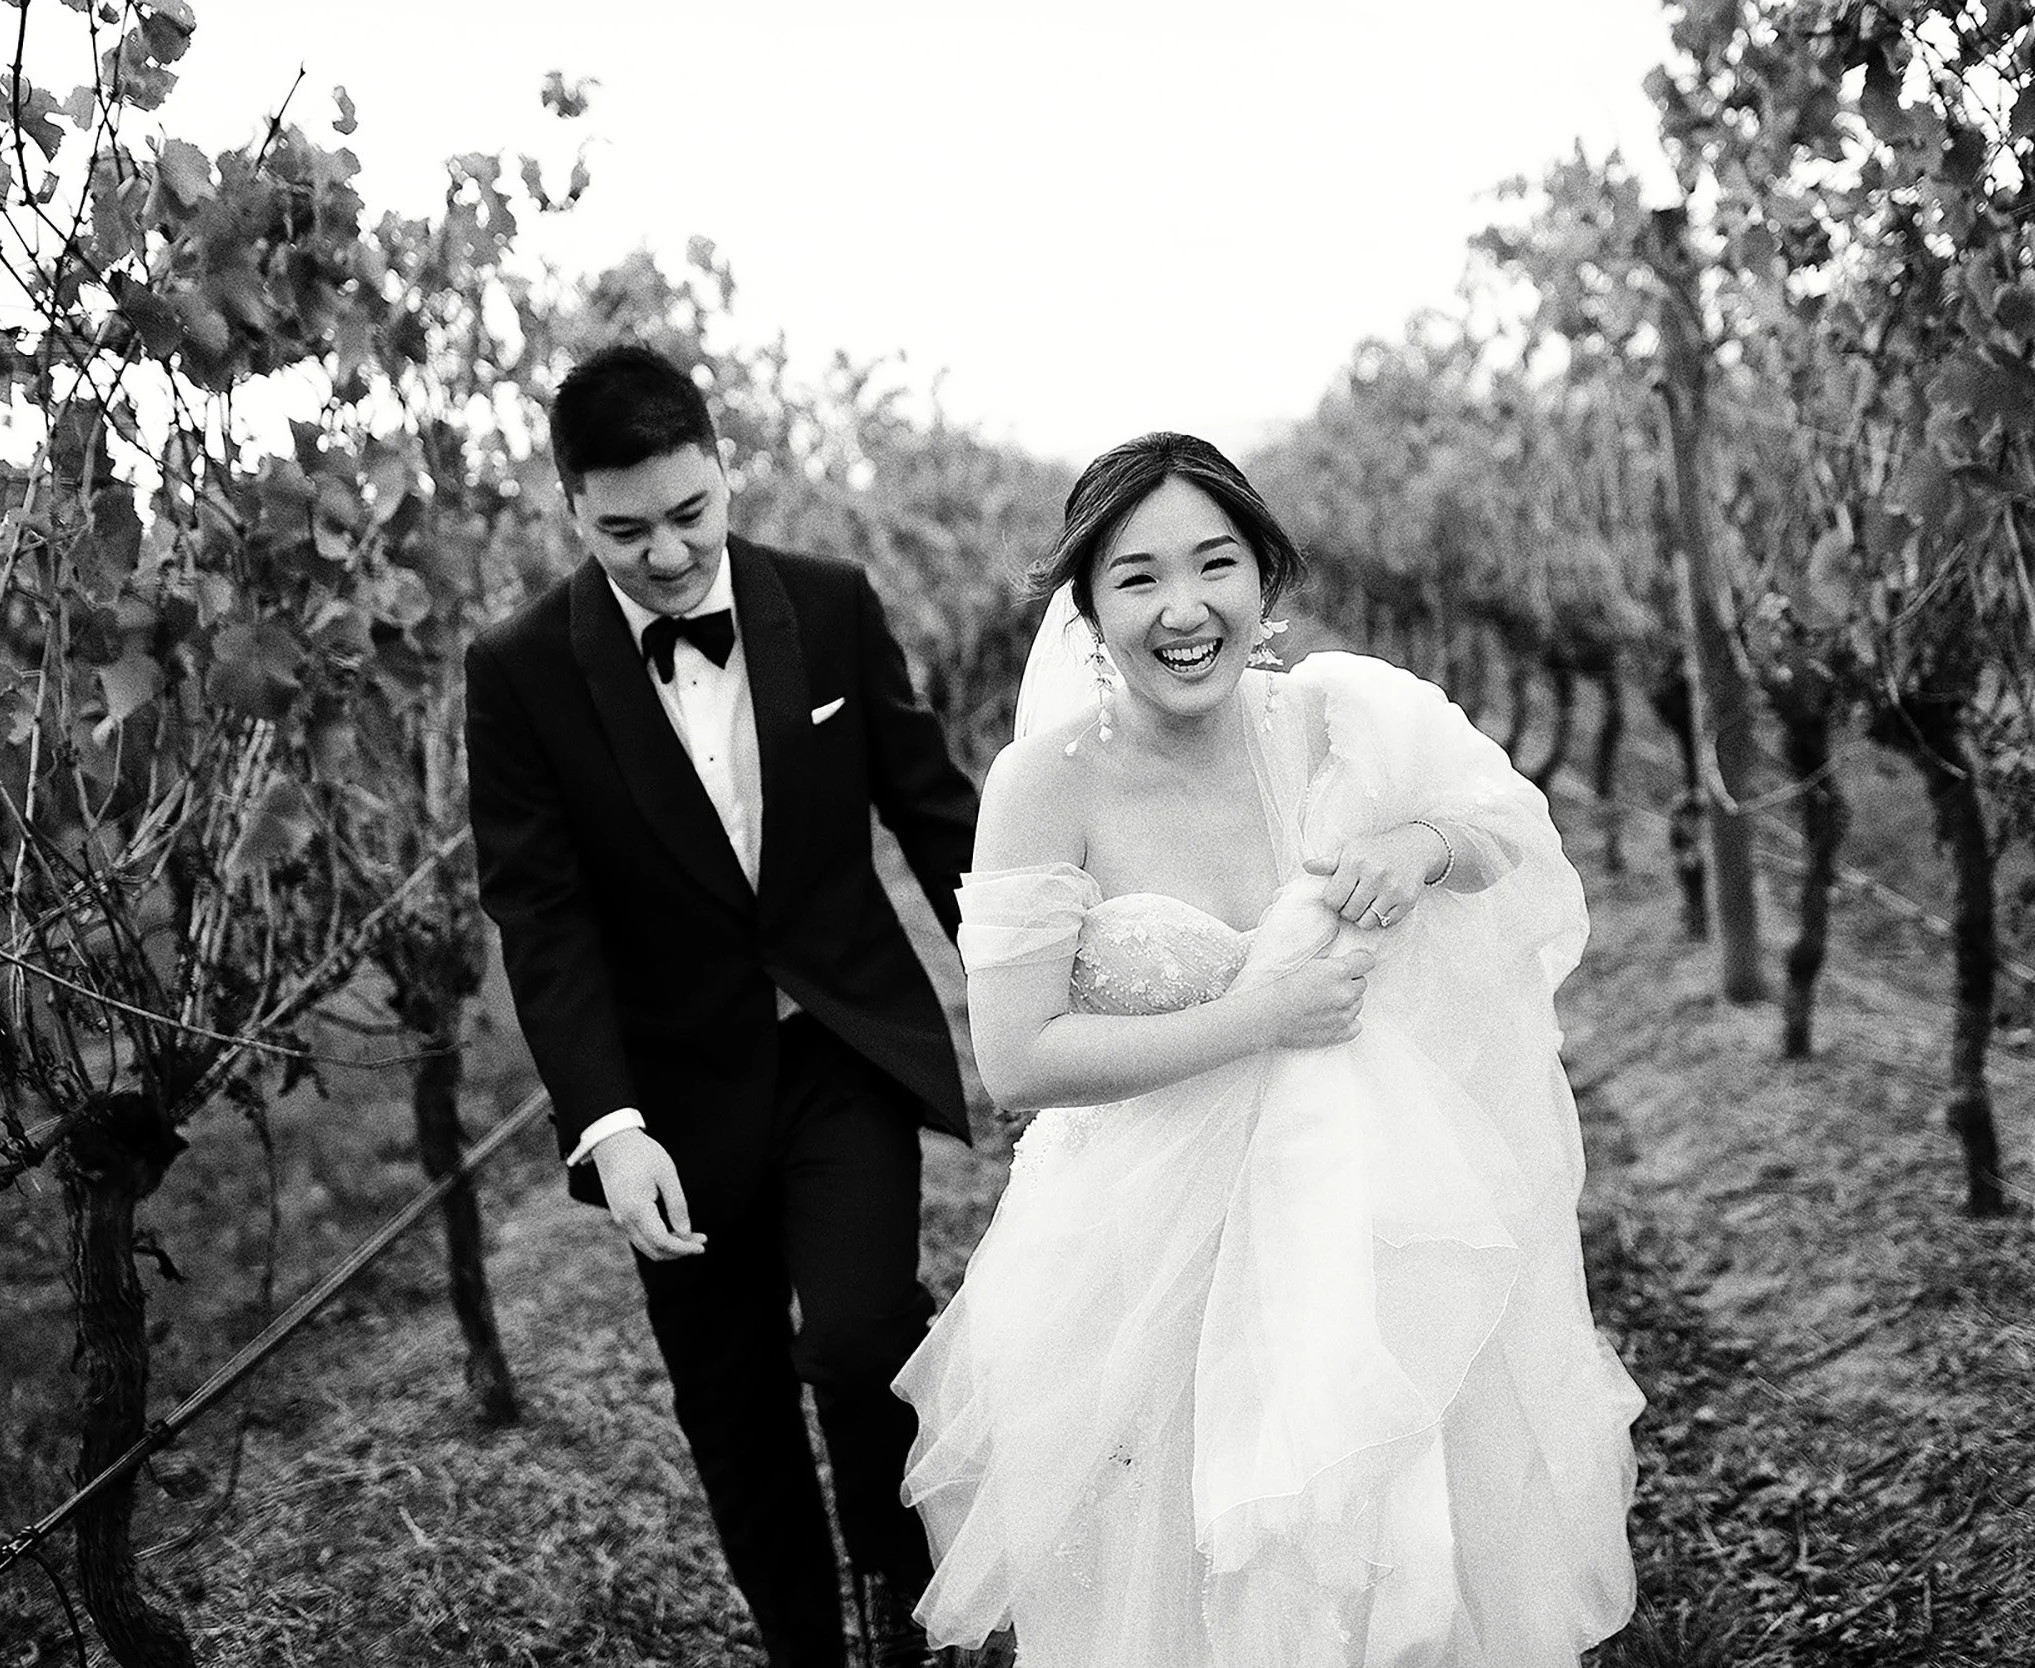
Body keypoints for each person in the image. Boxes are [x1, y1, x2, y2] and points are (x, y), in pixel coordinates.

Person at [894, 433, 1642, 1666]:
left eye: (1216, 565)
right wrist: (1264, 1016)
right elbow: (1019, 1059)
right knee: (1180, 1577)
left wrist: (1416, 853)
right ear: (1084, 605)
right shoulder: (1043, 784)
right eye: (1135, 578)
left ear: (1265, 581)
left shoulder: (1342, 718)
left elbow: (1503, 820)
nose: (1183, 610)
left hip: (1355, 1212)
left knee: (1383, 1556)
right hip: (1141, 1247)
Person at [465, 343, 980, 1668]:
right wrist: (609, 1123)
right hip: (670, 1096)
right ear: (571, 508)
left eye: (691, 515)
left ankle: (899, 1595)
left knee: (864, 1337)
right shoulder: (517, 671)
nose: (670, 555)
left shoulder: (832, 602)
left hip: (839, 1049)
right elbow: (545, 915)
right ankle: (805, 1647)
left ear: (722, 474)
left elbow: (930, 810)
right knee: (733, 1411)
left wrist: (1044, 978)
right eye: (626, 531)